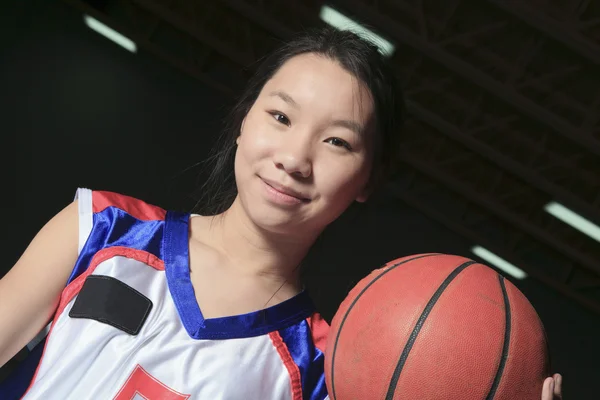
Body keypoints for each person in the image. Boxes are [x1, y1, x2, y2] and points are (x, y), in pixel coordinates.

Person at [0, 27, 562, 399]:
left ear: (368, 180)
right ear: (245, 119)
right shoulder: (100, 229)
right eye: (281, 117)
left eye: (338, 142)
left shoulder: (323, 371)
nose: (294, 159)